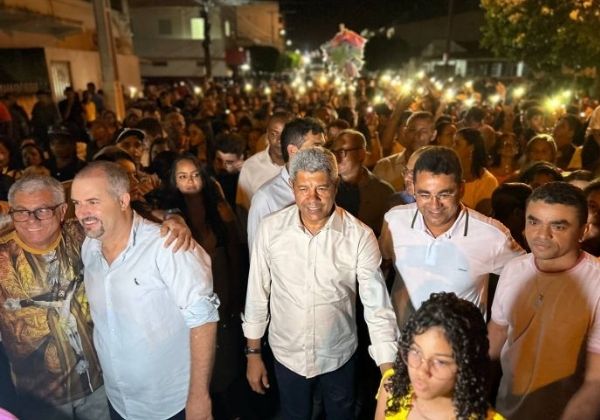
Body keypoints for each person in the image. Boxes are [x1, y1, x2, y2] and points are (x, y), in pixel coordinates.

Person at [0, 174, 194, 420]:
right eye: (22, 212)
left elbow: (124, 218)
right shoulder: (3, 257)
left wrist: (172, 216)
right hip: (38, 397)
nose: (32, 220)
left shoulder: (83, 235)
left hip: (100, 386)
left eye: (42, 211)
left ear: (61, 211)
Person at [243, 148, 398, 419]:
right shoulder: (270, 229)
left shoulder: (359, 236)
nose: (312, 199)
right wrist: (253, 354)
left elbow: (377, 307)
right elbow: (257, 293)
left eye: (321, 188)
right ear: (292, 187)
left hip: (339, 356)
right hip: (286, 356)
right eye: (303, 188)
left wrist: (388, 371)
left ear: (335, 186)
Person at [71, 161, 219, 420]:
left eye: (92, 201)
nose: (82, 212)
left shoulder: (167, 245)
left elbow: (204, 321)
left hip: (171, 404)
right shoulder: (89, 248)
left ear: (123, 200)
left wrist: (199, 396)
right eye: (76, 203)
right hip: (120, 401)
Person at [488, 182, 600, 419]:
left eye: (558, 226)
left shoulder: (597, 282)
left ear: (583, 230)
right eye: (533, 221)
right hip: (505, 410)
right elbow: (496, 337)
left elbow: (595, 382)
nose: (541, 235)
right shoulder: (513, 269)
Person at [379, 146, 524, 328]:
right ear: (413, 188)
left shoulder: (492, 235)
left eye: (444, 194)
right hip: (402, 346)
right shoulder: (395, 220)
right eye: (425, 194)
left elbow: (530, 278)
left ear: (461, 189)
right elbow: (382, 268)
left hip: (461, 352)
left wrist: (499, 329)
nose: (434, 205)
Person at [375, 292, 503, 420]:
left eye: (440, 362)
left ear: (466, 366)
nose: (421, 371)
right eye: (416, 352)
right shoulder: (392, 389)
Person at [246, 117, 325, 247]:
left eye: (323, 146)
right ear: (293, 151)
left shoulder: (326, 187)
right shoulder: (265, 198)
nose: (323, 153)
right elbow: (258, 255)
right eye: (316, 146)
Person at [332, 129, 394, 235]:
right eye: (334, 152)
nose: (336, 158)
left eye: (342, 152)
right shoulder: (327, 187)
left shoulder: (382, 192)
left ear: (361, 154)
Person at [236, 112, 292, 212]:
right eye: (274, 134)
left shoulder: (303, 164)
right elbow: (243, 208)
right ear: (267, 134)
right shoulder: (250, 167)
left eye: (285, 134)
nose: (279, 140)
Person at [374, 111, 436, 191]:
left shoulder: (442, 167)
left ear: (433, 135)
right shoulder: (385, 166)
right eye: (412, 130)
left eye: (424, 131)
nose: (417, 135)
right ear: (405, 132)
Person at [453, 127, 498, 215]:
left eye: (457, 144)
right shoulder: (447, 173)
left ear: (471, 148)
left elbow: (481, 217)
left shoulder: (488, 181)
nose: (452, 147)